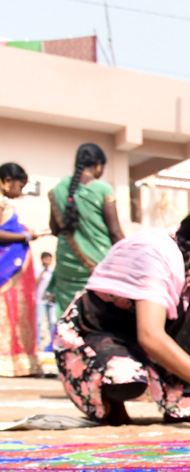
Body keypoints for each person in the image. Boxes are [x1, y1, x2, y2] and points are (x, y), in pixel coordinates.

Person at [53, 191, 190, 425]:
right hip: (99, 333)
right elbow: (150, 336)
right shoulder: (154, 251)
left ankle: (182, 401)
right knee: (124, 379)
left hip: (141, 339)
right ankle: (109, 401)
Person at [45, 143, 124, 315]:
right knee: (97, 314)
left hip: (66, 264)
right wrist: (129, 256)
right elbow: (115, 232)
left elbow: (54, 229)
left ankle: (66, 341)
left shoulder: (59, 189)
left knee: (67, 314)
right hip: (98, 264)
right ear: (98, 164)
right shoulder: (102, 189)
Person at [0, 163, 45, 376]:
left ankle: (18, 361)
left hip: (14, 267)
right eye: (20, 185)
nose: (21, 191)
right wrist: (26, 236)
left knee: (15, 313)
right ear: (7, 181)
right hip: (6, 268)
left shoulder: (6, 202)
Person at [36, 251, 55, 350]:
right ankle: (37, 345)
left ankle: (53, 345)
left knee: (52, 322)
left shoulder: (52, 273)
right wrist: (43, 272)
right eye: (46, 259)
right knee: (38, 322)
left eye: (49, 259)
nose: (48, 261)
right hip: (39, 300)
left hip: (50, 300)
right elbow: (34, 284)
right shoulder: (37, 271)